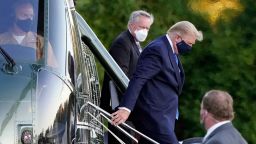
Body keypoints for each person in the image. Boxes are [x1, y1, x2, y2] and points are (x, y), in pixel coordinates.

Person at [111, 21, 203, 144]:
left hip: (164, 117)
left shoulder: (171, 51)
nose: (190, 47)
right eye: (189, 44)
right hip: (155, 117)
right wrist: (126, 108)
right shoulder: (158, 49)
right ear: (177, 38)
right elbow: (138, 78)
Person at [100, 10, 154, 143]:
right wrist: (130, 106)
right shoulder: (122, 43)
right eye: (142, 27)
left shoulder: (134, 42)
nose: (145, 31)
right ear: (131, 25)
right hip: (120, 108)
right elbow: (120, 77)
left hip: (128, 108)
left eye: (147, 28)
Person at [0, 0, 56, 66]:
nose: (29, 19)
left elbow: (50, 70)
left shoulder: (41, 43)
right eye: (24, 15)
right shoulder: (1, 40)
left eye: (31, 16)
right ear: (13, 15)